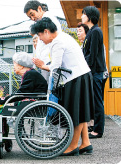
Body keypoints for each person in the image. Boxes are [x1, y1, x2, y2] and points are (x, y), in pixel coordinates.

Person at [31, 17, 94, 156]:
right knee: (81, 111)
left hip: (75, 78)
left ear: (46, 31)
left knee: (76, 113)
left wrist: (42, 66)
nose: (40, 39)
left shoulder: (57, 42)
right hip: (82, 75)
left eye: (40, 35)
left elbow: (55, 67)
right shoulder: (64, 36)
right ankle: (85, 143)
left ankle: (73, 146)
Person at [81, 6, 107, 139]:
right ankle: (96, 126)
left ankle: (98, 130)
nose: (82, 16)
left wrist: (85, 67)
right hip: (93, 71)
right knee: (95, 100)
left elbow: (92, 55)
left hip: (96, 71)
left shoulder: (96, 31)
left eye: (84, 14)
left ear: (90, 16)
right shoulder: (92, 31)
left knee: (97, 101)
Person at [24, 0, 62, 82]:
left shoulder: (48, 19)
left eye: (32, 14)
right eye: (30, 17)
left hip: (48, 63)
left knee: (50, 90)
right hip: (45, 63)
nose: (32, 18)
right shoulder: (42, 21)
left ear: (39, 8)